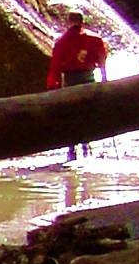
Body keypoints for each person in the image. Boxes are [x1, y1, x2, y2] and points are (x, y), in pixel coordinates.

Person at [45, 9, 108, 161]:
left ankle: (71, 149)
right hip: (88, 78)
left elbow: (55, 66)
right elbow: (102, 61)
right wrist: (105, 79)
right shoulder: (96, 39)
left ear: (69, 22)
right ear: (82, 21)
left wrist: (52, 85)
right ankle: (87, 146)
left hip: (70, 80)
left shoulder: (61, 41)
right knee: (88, 111)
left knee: (72, 113)